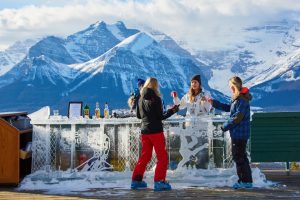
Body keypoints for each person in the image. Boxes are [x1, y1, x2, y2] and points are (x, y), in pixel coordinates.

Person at [131, 77, 179, 191]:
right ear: (156, 86)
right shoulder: (156, 98)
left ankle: (136, 181)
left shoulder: (140, 98)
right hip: (156, 132)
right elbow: (161, 116)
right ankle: (159, 181)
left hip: (144, 132)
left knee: (145, 156)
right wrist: (173, 110)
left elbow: (138, 116)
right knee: (162, 157)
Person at [207, 76, 253, 189]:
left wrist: (224, 127)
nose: (230, 89)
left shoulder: (241, 100)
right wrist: (214, 103)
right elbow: (229, 108)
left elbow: (237, 117)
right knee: (242, 157)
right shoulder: (238, 99)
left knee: (238, 157)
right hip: (239, 133)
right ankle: (247, 181)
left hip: (239, 134)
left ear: (235, 85)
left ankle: (244, 182)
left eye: (231, 86)